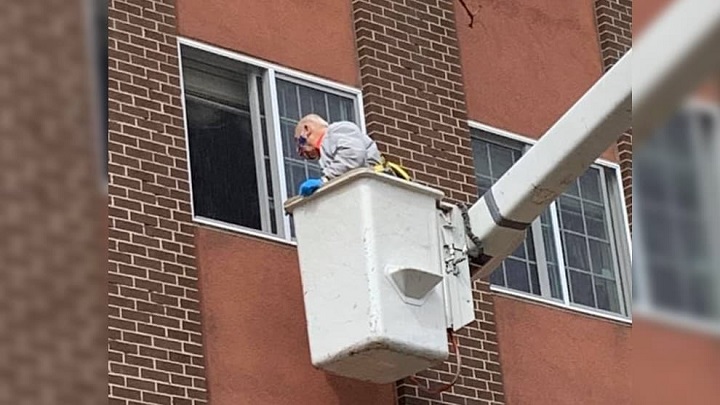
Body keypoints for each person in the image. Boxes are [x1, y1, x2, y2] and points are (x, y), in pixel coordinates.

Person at [294, 114, 383, 196]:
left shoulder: (336, 130)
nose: (300, 152)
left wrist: (326, 179)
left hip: (372, 186)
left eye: (298, 141)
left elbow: (353, 155)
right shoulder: (326, 149)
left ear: (307, 129)